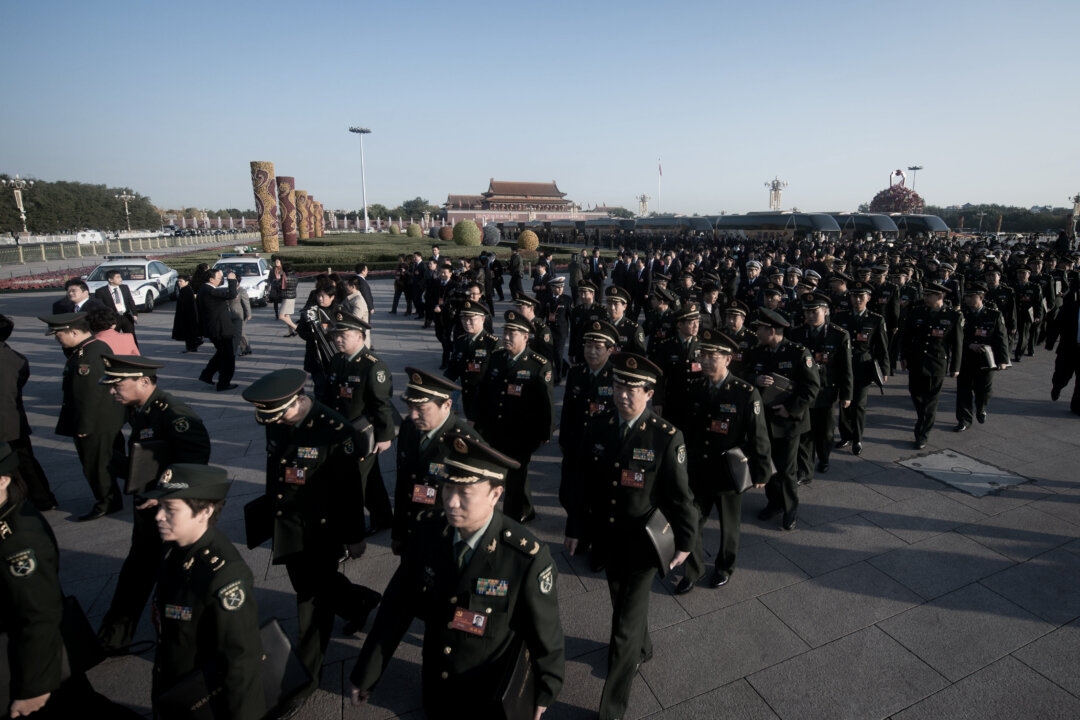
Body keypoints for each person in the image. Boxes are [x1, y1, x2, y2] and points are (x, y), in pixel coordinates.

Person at [349, 434, 565, 719]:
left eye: (465, 494)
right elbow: (396, 608)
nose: (451, 502)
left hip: (488, 693)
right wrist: (368, 672)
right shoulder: (427, 532)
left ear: (495, 494)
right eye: (448, 488)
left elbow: (545, 632)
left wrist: (545, 689)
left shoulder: (524, 558)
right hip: (436, 683)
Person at [242, 369, 382, 712]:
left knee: (310, 601)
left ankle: (306, 676)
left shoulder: (335, 431)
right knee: (311, 585)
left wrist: (353, 537)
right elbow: (277, 469)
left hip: (321, 530)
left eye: (280, 415)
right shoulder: (278, 420)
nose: (276, 423)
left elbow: (350, 490)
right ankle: (359, 601)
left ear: (298, 400)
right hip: (288, 525)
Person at [566, 353, 696, 720]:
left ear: (649, 392)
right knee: (620, 601)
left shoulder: (666, 437)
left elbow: (681, 498)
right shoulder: (600, 424)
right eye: (619, 385)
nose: (623, 395)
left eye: (632, 388)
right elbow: (583, 482)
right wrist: (575, 528)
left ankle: (611, 709)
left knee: (621, 628)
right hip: (607, 537)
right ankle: (644, 647)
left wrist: (687, 543)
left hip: (642, 546)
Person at [0, 442, 143, 719]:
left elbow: (39, 614)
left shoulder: (19, 541)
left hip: (33, 661)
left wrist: (34, 688)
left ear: (4, 479)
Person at [95, 354, 212, 653]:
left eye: (117, 384)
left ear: (144, 382)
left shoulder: (174, 414)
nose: (112, 391)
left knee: (172, 579)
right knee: (138, 571)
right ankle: (114, 637)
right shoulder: (141, 409)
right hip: (149, 510)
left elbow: (196, 462)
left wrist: (164, 495)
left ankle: (194, 641)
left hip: (171, 514)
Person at [133, 464, 266, 719]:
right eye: (160, 506)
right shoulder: (175, 548)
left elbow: (241, 660)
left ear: (204, 511)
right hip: (174, 686)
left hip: (205, 701)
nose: (159, 516)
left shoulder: (223, 574)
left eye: (170, 509)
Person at [676, 329, 771, 594]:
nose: (706, 360)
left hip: (729, 470)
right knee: (692, 520)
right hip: (699, 468)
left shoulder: (744, 392)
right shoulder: (695, 388)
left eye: (712, 356)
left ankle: (724, 567)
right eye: (703, 354)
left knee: (730, 525)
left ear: (728, 359)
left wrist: (762, 471)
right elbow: (687, 429)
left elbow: (758, 435)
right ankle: (693, 570)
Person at [38, 312, 126, 521]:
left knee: (95, 464)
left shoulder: (87, 355)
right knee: (108, 460)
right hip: (104, 418)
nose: (58, 338)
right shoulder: (88, 348)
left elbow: (89, 396)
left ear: (74, 332)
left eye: (59, 335)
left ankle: (107, 502)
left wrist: (84, 426)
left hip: (96, 421)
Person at [474, 310, 555, 524]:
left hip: (522, 433)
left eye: (513, 334)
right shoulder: (497, 358)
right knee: (512, 474)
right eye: (505, 332)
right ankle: (526, 508)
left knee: (514, 477)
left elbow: (546, 405)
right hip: (495, 427)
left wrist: (544, 433)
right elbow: (485, 392)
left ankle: (511, 521)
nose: (507, 337)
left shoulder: (538, 365)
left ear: (526, 337)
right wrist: (479, 422)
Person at [323, 309, 396, 539]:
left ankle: (352, 533)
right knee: (371, 479)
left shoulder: (373, 366)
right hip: (342, 432)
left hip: (364, 435)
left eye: (343, 335)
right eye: (336, 335)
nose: (337, 339)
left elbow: (381, 405)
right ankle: (384, 517)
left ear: (360, 336)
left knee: (353, 484)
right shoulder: (337, 360)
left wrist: (385, 437)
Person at [746, 308, 820, 531]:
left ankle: (790, 509)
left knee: (787, 469)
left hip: (788, 422)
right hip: (764, 420)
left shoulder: (798, 353)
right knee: (768, 465)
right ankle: (774, 503)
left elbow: (812, 387)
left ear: (771, 330)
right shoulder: (758, 351)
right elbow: (743, 375)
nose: (756, 332)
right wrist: (755, 378)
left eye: (759, 328)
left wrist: (790, 409)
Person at [391, 368, 477, 554]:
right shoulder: (409, 428)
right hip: (412, 529)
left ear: (446, 404)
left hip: (445, 537)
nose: (413, 415)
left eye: (421, 409)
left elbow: (473, 505)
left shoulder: (465, 444)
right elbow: (403, 483)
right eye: (409, 407)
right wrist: (398, 532)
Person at [558, 320, 618, 567]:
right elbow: (569, 411)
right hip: (576, 447)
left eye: (598, 347)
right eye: (588, 346)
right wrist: (563, 440)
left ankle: (601, 549)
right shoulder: (576, 372)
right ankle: (581, 535)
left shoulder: (616, 376)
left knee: (599, 500)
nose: (592, 351)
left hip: (602, 450)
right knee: (571, 494)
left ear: (610, 350)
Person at [788, 293, 852, 483]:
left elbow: (845, 368)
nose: (809, 315)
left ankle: (824, 458)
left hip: (826, 391)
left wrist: (846, 395)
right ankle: (805, 470)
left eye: (814, 311)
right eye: (807, 311)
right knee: (805, 433)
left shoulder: (839, 334)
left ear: (825, 311)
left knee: (825, 432)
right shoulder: (796, 333)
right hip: (804, 391)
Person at [0, 315, 57, 511]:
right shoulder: (18, 359)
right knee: (26, 461)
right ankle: (43, 498)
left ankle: (19, 500)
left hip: (4, 423)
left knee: (14, 464)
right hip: (14, 420)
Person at [899, 282, 964, 449]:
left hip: (936, 363)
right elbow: (906, 336)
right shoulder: (918, 312)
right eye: (926, 295)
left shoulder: (953, 316)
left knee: (930, 400)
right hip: (917, 360)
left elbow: (957, 344)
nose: (926, 298)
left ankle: (922, 433)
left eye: (930, 295)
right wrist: (904, 357)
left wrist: (955, 366)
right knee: (915, 393)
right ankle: (923, 417)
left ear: (940, 297)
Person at [833, 282, 890, 455]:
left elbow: (882, 347)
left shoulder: (876, 319)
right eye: (854, 296)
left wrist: (884, 369)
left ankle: (857, 438)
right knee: (844, 403)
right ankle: (846, 436)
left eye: (861, 296)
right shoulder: (840, 317)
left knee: (858, 405)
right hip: (843, 366)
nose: (857, 299)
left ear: (868, 298)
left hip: (863, 366)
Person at [955, 283, 1010, 431]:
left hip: (986, 359)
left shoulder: (994, 315)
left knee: (984, 390)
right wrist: (968, 345)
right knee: (963, 391)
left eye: (971, 296)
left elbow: (1001, 338)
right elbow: (956, 337)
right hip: (965, 358)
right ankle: (964, 420)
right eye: (966, 296)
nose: (968, 299)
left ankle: (981, 408)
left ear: (981, 297)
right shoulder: (961, 314)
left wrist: (1003, 360)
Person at [444, 300, 499, 421]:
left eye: (471, 319)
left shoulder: (492, 343)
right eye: (463, 319)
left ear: (482, 319)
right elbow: (452, 369)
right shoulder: (461, 341)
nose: (466, 323)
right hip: (467, 396)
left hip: (485, 399)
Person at [196, 268, 239, 392]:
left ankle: (207, 374)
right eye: (219, 278)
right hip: (220, 330)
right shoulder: (209, 291)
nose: (221, 280)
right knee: (228, 357)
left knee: (221, 353)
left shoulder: (206, 289)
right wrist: (232, 280)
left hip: (216, 328)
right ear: (211, 279)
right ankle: (223, 383)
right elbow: (232, 295)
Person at [1047, 277, 1080, 414]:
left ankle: (1077, 406)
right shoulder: (1069, 307)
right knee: (1061, 376)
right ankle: (1057, 387)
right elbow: (1056, 326)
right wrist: (1050, 343)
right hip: (1068, 349)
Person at [94, 268, 138, 340]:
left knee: (131, 337)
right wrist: (107, 320)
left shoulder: (124, 287)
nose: (120, 279)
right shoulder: (101, 291)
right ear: (110, 280)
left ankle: (134, 351)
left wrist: (134, 314)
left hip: (125, 316)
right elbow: (101, 307)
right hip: (112, 319)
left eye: (120, 277)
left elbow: (130, 301)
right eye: (118, 277)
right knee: (113, 338)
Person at [170, 275, 202, 353]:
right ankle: (192, 346)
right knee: (188, 332)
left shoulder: (187, 290)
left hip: (188, 316)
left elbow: (190, 305)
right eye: (178, 281)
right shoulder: (184, 290)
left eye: (181, 281)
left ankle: (192, 346)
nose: (179, 283)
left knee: (189, 332)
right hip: (185, 315)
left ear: (187, 282)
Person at [270, 257, 300, 337]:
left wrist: (276, 279)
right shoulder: (294, 276)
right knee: (287, 315)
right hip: (292, 297)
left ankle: (296, 328)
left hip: (287, 298)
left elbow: (276, 285)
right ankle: (290, 332)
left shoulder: (285, 277)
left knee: (281, 316)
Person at [228, 285, 253, 357]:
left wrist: (249, 314)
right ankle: (245, 348)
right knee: (239, 333)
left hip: (240, 315)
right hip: (231, 314)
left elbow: (246, 303)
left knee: (240, 332)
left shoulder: (242, 291)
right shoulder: (229, 289)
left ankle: (246, 348)